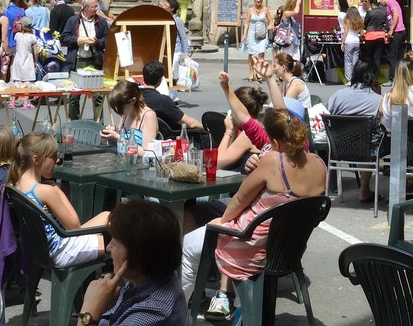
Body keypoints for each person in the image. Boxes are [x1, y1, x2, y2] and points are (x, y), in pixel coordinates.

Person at [181, 111, 327, 315]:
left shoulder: (274, 161)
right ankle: (240, 305)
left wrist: (221, 222)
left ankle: (177, 313)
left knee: (187, 245)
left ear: (274, 141)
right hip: (288, 248)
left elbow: (240, 199)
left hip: (252, 244)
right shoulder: (320, 165)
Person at [79, 199, 189, 326]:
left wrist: (88, 313)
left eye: (115, 242)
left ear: (137, 255)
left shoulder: (148, 317)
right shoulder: (153, 279)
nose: (108, 248)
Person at [11, 132, 111, 267]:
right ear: (36, 159)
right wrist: (55, 188)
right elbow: (74, 226)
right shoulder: (45, 191)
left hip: (44, 249)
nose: (58, 160)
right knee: (121, 239)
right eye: (53, 156)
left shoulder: (15, 184)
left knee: (108, 216)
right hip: (62, 250)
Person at [216, 76, 270, 171]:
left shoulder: (247, 136)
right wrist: (235, 129)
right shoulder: (260, 126)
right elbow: (230, 152)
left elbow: (218, 163)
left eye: (233, 109)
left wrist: (228, 132)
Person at [140, 59, 204, 133]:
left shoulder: (135, 98)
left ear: (143, 77)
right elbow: (191, 123)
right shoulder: (163, 101)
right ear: (160, 80)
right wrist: (207, 130)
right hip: (167, 138)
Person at [103, 79, 161, 153]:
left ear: (133, 101)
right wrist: (112, 134)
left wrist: (118, 138)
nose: (118, 110)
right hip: (124, 159)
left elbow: (146, 152)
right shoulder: (126, 114)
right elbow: (121, 146)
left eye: (121, 107)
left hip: (140, 163)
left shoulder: (148, 116)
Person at [66, 0, 110, 70]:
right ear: (85, 7)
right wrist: (77, 40)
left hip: (95, 61)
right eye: (93, 6)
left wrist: (97, 42)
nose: (96, 9)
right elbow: (65, 38)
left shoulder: (102, 22)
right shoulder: (73, 20)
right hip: (77, 60)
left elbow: (107, 40)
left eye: (97, 6)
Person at [267, 51, 312, 119]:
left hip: (302, 120)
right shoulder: (284, 83)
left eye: (274, 66)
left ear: (283, 67)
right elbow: (274, 102)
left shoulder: (295, 84)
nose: (273, 69)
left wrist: (269, 78)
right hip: (291, 118)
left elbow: (283, 107)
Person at [242, 0, 271, 80]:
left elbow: (271, 20)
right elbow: (246, 23)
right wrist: (244, 35)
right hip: (252, 33)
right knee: (251, 54)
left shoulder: (266, 10)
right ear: (254, 0)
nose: (258, 0)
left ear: (262, 0)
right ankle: (251, 73)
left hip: (261, 34)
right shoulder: (250, 10)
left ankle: (259, 72)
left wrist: (270, 26)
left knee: (261, 53)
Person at [360, 0, 391, 72]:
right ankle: (376, 77)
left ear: (372, 4)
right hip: (380, 36)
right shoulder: (383, 13)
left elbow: (365, 25)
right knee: (377, 58)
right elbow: (387, 25)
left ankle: (368, 74)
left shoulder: (370, 12)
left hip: (370, 36)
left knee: (368, 57)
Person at [382, 0, 408, 72]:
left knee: (392, 56)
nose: (381, 4)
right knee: (397, 55)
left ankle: (392, 78)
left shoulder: (390, 1)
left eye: (380, 2)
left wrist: (391, 30)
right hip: (398, 31)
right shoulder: (389, 5)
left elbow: (396, 15)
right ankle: (399, 75)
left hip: (398, 31)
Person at [11, 16, 42, 82]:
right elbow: (36, 52)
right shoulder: (32, 37)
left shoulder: (17, 35)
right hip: (28, 61)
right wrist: (36, 62)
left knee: (17, 81)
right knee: (28, 82)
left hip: (18, 61)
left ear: (22, 26)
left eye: (19, 24)